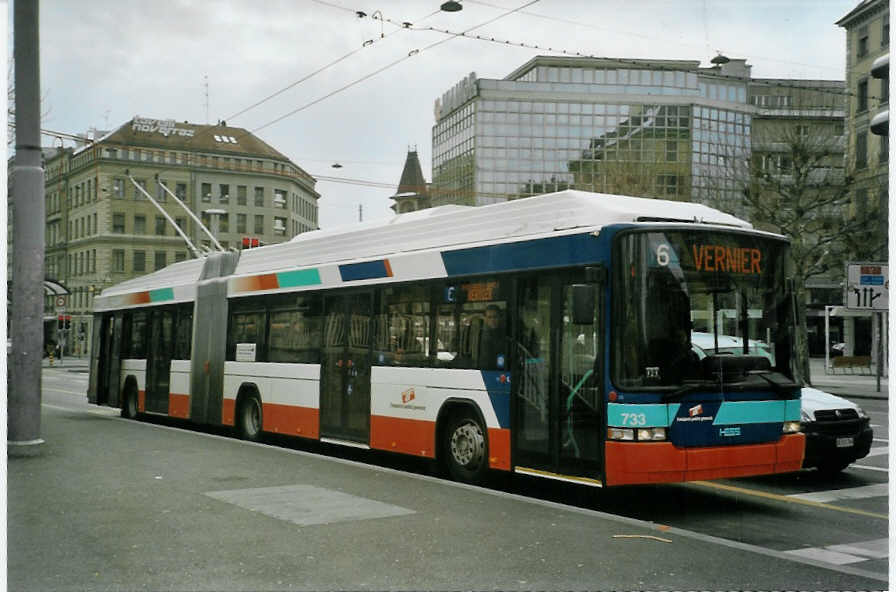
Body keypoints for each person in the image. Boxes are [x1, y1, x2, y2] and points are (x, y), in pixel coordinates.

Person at [479, 304, 507, 369]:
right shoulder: (481, 334)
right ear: (485, 319)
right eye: (489, 317)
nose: (492, 320)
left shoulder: (505, 334)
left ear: (500, 317)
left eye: (495, 317)